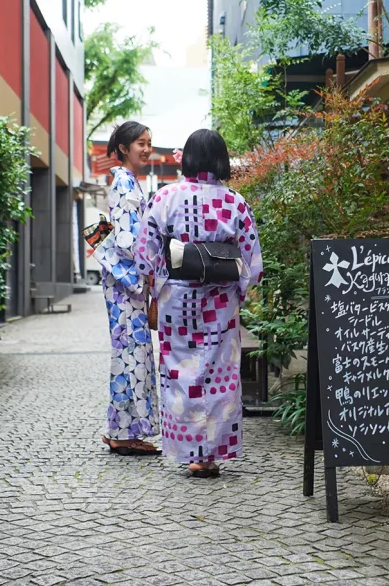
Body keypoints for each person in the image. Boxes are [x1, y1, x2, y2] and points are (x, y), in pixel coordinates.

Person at [136, 129, 263, 477]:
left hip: (177, 299)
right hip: (220, 300)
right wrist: (241, 289)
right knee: (220, 374)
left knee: (181, 372)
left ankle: (191, 450)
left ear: (188, 158)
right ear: (221, 159)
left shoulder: (165, 197)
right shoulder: (235, 201)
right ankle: (212, 454)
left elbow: (145, 253)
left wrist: (154, 282)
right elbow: (252, 262)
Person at [94, 121, 159, 455]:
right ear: (123, 148)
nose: (146, 149)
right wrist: (150, 265)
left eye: (149, 143)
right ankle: (122, 434)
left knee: (131, 353)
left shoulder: (130, 181)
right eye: (140, 143)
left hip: (126, 280)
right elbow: (125, 239)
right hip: (126, 281)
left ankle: (120, 429)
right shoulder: (123, 182)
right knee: (131, 354)